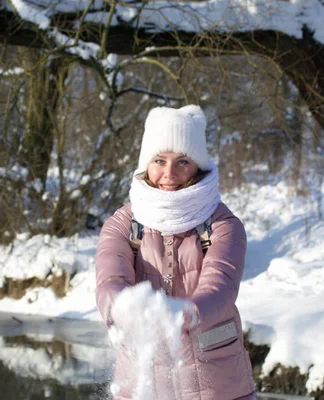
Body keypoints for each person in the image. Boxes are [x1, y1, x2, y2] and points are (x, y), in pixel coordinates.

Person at [95, 105, 257, 400]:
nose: (169, 174)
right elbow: (110, 280)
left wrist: (183, 315)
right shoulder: (122, 224)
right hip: (142, 383)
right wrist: (121, 307)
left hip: (216, 385)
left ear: (197, 166)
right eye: (159, 160)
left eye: (182, 161)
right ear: (147, 164)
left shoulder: (223, 225)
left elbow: (220, 289)